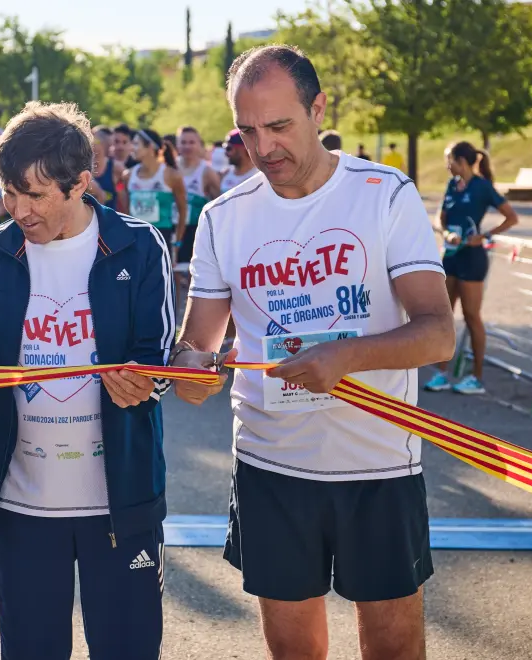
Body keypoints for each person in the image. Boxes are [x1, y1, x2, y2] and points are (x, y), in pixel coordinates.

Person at [172, 45, 456, 660]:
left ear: (318, 108)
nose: (264, 147)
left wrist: (345, 357)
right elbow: (196, 348)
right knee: (293, 650)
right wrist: (190, 371)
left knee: (393, 645)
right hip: (271, 466)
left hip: (378, 465)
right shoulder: (224, 217)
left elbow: (438, 333)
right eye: (248, 131)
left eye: (279, 126)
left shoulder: (383, 193)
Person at [0, 100, 174, 660]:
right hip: (24, 504)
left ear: (80, 183)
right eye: (8, 193)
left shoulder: (141, 246)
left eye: (35, 194)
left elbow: (157, 357)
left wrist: (147, 382)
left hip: (121, 502)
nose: (18, 210)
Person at [424, 141, 519, 395]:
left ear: (461, 162)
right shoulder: (452, 185)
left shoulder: (482, 186)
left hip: (473, 258)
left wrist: (485, 235)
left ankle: (476, 378)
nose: (447, 165)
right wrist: (445, 232)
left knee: (471, 316)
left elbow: (512, 217)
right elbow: (440, 217)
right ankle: (441, 373)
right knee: (444, 314)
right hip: (451, 255)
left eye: (449, 160)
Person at [121, 128, 187, 262]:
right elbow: (127, 211)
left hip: (162, 237)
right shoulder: (128, 175)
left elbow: (183, 210)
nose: (131, 148)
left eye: (136, 144)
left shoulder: (171, 175)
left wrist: (178, 242)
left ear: (150, 146)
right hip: (136, 239)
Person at [175, 126, 221, 271]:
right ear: (177, 145)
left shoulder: (207, 171)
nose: (187, 146)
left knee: (192, 273)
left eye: (191, 142)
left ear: (199, 145)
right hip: (172, 227)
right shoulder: (169, 168)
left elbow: (219, 205)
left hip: (194, 230)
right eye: (183, 142)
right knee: (172, 271)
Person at [88, 125, 124, 211]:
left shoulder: (116, 168)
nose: (92, 143)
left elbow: (124, 202)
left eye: (95, 141)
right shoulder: (80, 168)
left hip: (109, 221)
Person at [220, 129, 257, 193]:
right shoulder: (225, 174)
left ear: (244, 148)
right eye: (225, 148)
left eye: (229, 149)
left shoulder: (259, 176)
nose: (225, 153)